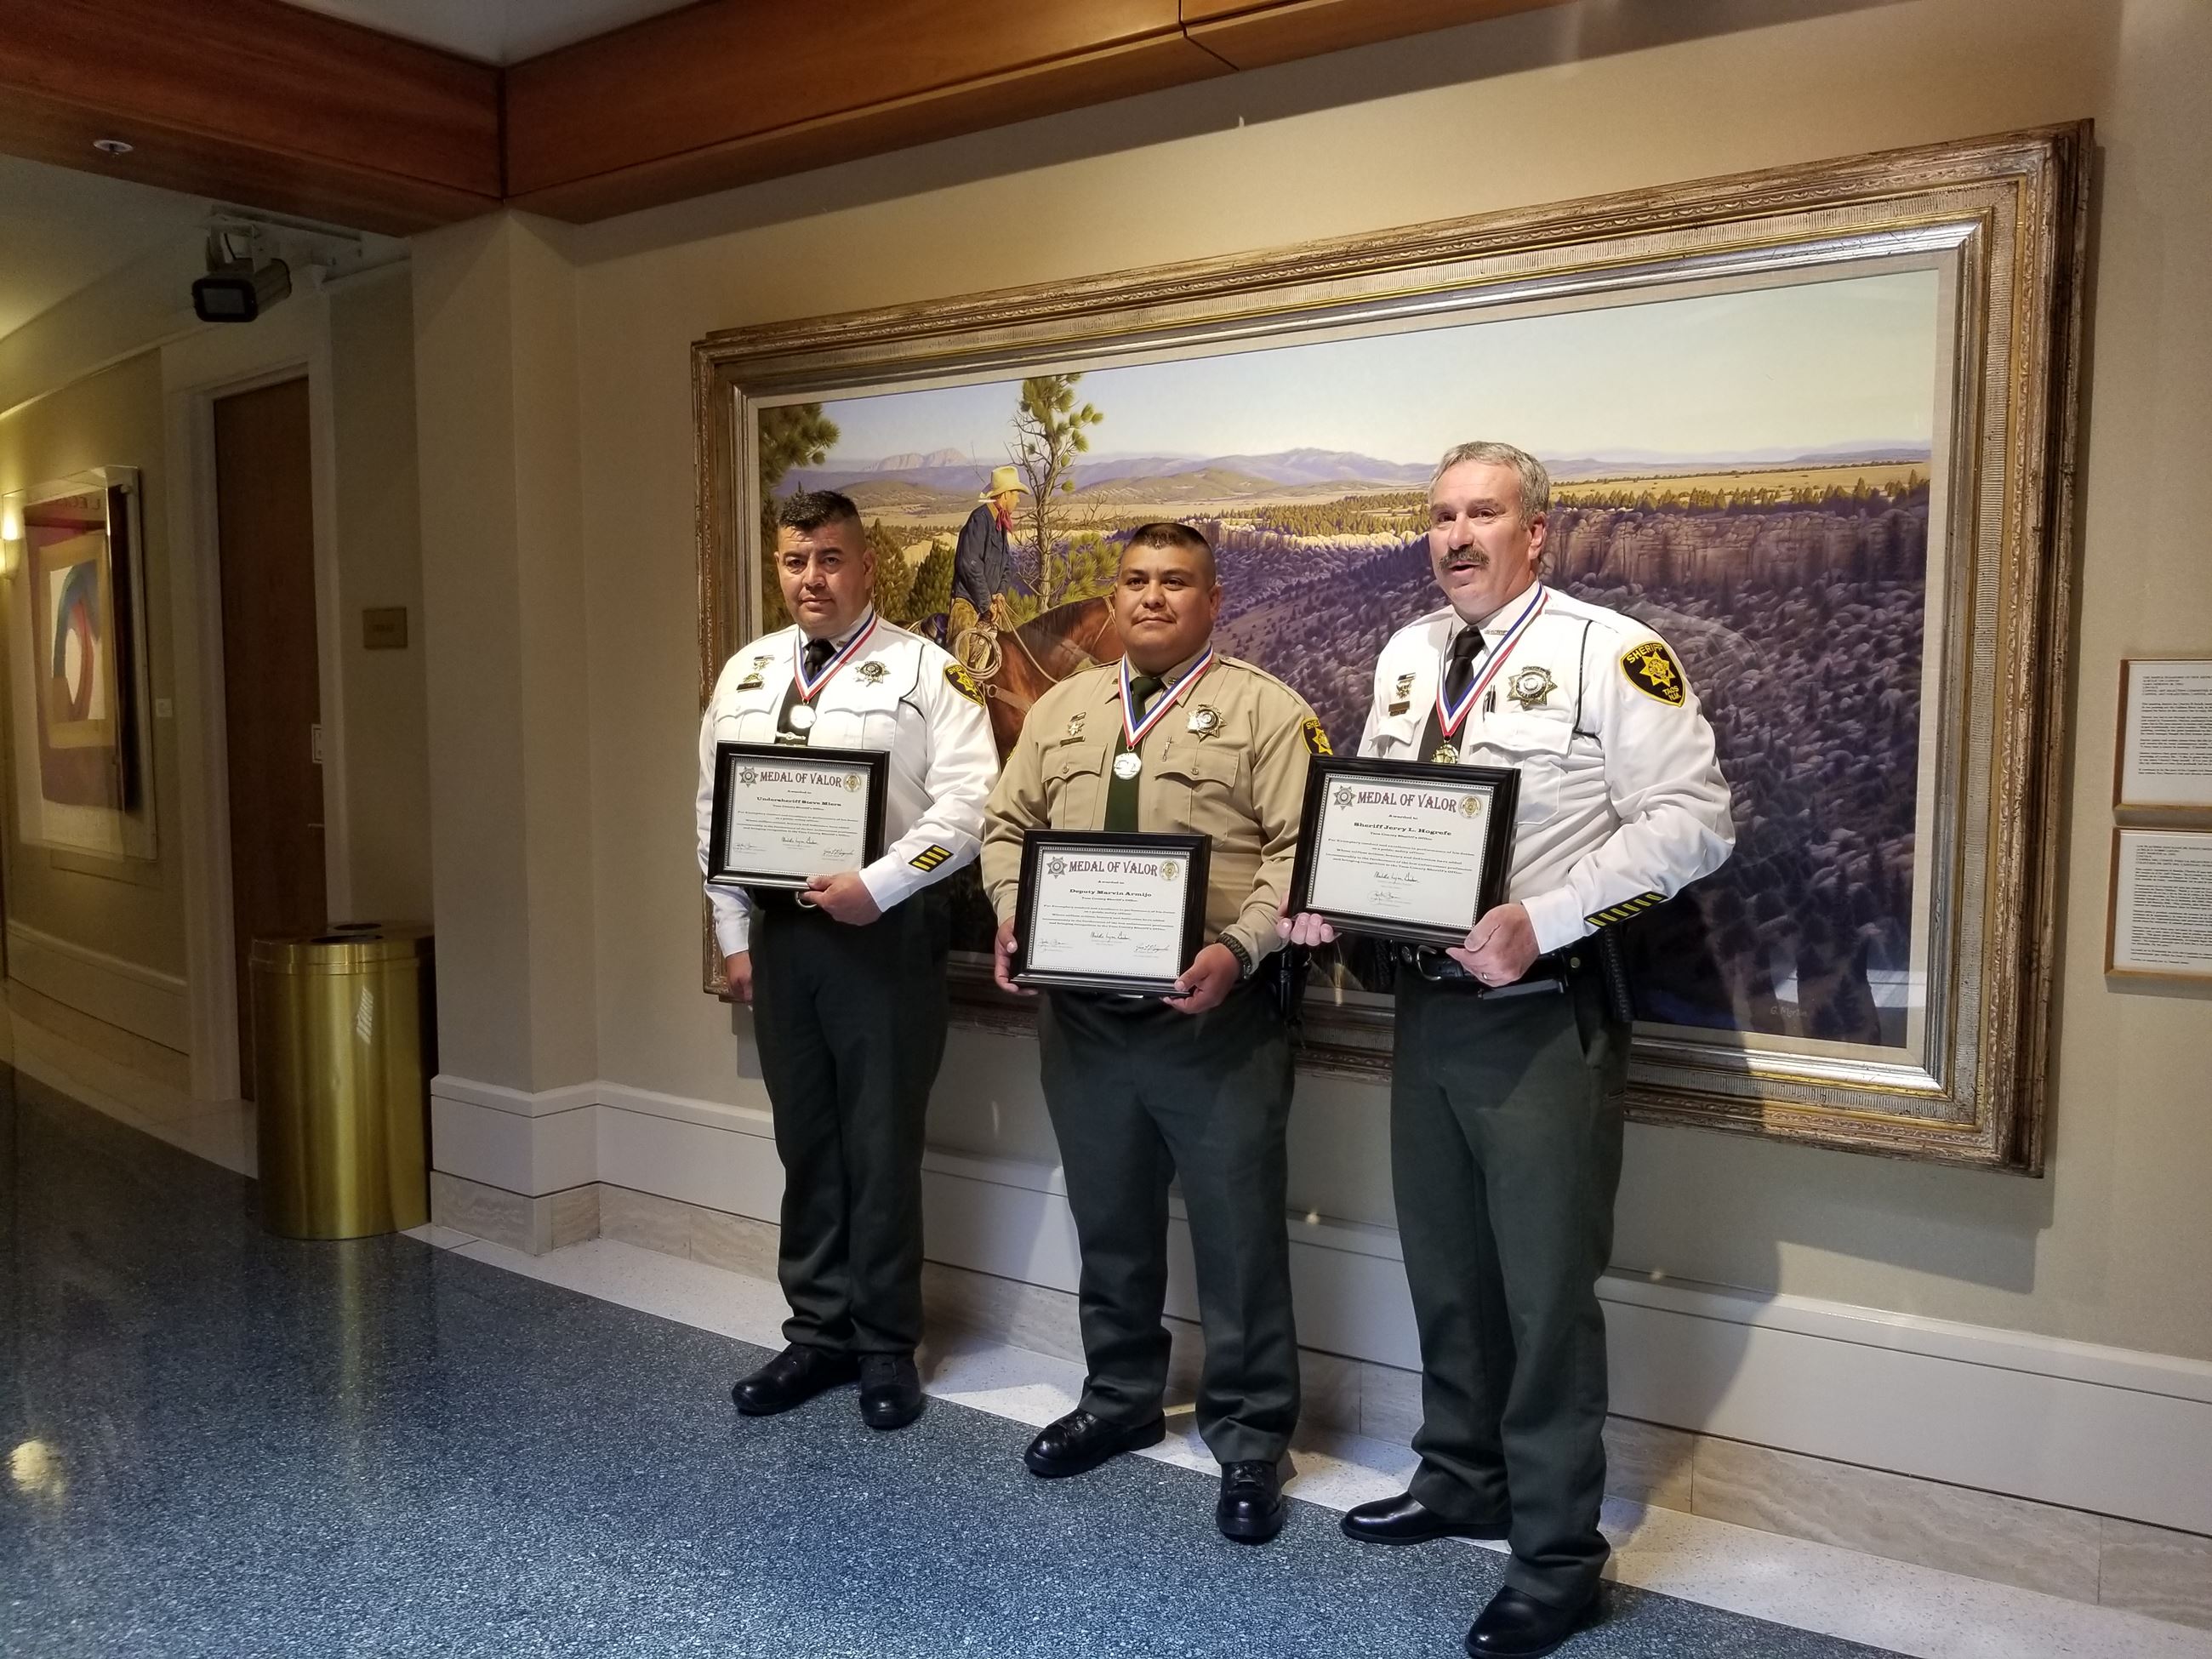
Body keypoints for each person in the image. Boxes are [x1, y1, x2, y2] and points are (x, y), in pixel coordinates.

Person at [1281, 442, 1733, 1657]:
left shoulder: (1609, 651)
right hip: (1424, 1009)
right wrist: (1329, 893)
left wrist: (1552, 917)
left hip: (1541, 1014)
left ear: (1540, 531)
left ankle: (1557, 1551)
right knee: (1447, 1270)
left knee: (1541, 1295)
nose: (1458, 535)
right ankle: (1461, 1474)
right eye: (1441, 515)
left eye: (1485, 513)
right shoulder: (1410, 653)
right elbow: (1379, 800)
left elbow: (1696, 820)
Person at [980, 522, 1327, 1543]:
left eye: (1176, 582)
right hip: (1083, 1024)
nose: (1151, 598)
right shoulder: (1063, 709)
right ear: (1114, 595)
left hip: (1213, 1021)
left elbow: (1299, 856)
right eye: (1134, 580)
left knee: (1236, 1238)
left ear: (1212, 600)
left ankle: (1252, 1436)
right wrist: (1011, 910)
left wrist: (1238, 949)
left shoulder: (1270, 713)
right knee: (1111, 1221)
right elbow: (1005, 828)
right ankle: (1119, 1397)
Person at [697, 489, 998, 1432]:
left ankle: (882, 1347)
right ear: (777, 568)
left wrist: (882, 882)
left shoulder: (927, 672)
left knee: (878, 1145)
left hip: (884, 938)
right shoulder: (745, 674)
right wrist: (734, 935)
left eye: (829, 559)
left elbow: (970, 806)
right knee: (808, 1144)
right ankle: (816, 1332)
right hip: (784, 941)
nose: (811, 578)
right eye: (795, 561)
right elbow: (711, 812)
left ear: (867, 567)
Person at [948, 465, 1027, 652]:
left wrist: (1000, 592)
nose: (1018, 498)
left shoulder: (1001, 524)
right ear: (1005, 495)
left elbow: (1007, 564)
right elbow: (969, 564)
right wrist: (986, 602)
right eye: (1015, 493)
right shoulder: (980, 519)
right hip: (968, 602)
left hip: (990, 605)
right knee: (959, 658)